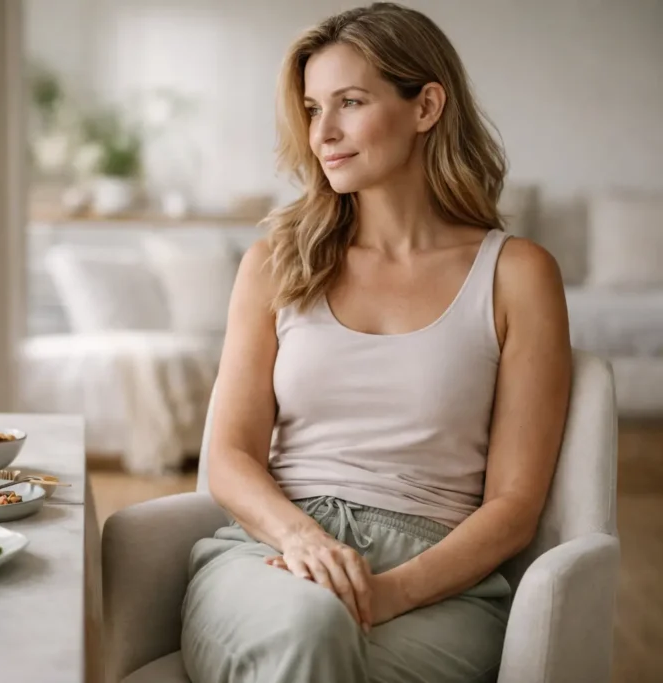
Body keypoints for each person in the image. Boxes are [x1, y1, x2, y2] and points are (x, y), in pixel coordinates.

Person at [180, 3, 572, 682]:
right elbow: (231, 455)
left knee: (317, 639)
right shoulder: (276, 262)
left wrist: (386, 592)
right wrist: (303, 539)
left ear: (426, 106)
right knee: (306, 627)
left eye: (350, 102)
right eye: (311, 108)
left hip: (439, 583)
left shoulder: (517, 275)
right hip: (272, 554)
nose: (322, 132)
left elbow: (513, 505)